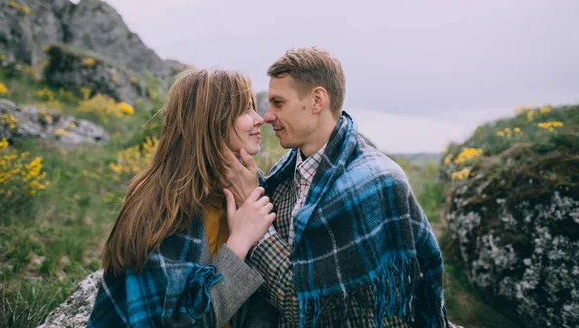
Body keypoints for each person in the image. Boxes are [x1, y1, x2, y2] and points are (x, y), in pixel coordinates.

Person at [224, 48, 447, 327]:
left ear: (317, 100)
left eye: (278, 103)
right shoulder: (282, 177)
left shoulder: (377, 184)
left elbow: (309, 308)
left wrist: (253, 215)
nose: (267, 116)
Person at [88, 68, 278, 328]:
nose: (259, 119)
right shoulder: (162, 206)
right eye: (245, 110)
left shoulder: (254, 187)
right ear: (212, 122)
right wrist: (240, 242)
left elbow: (267, 301)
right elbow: (182, 322)